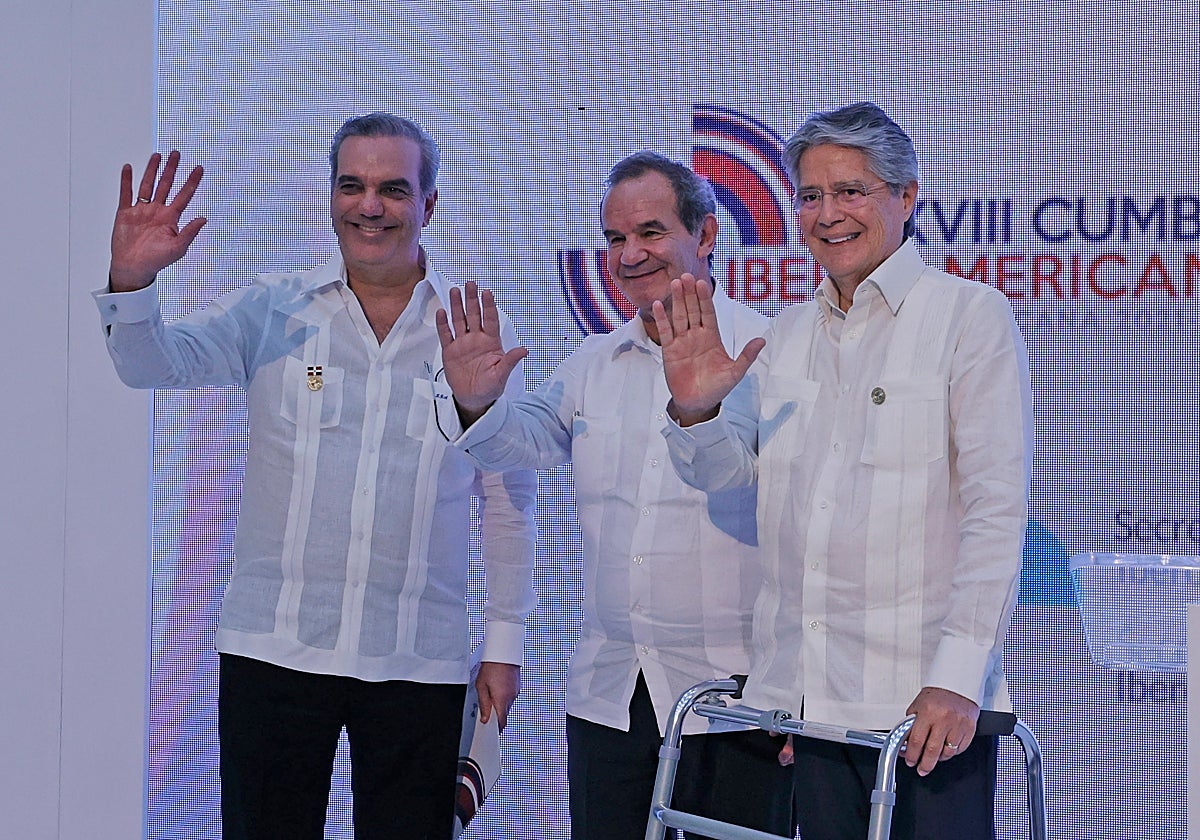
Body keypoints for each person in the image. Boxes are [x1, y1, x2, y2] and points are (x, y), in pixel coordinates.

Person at [92, 113, 536, 840]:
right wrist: (133, 283)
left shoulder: (476, 328)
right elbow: (149, 365)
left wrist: (504, 644)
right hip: (274, 653)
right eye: (351, 186)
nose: (370, 206)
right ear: (330, 196)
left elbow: (508, 496)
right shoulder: (270, 309)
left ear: (429, 204)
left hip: (418, 660)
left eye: (394, 189)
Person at [653, 102, 1033, 840]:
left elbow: (996, 511)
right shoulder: (787, 333)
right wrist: (695, 412)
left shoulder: (970, 316)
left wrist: (959, 679)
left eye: (851, 191)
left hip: (926, 709)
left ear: (907, 196)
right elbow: (729, 477)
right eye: (810, 196)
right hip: (812, 709)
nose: (828, 214)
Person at [433, 152, 794, 840]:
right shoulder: (592, 362)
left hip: (740, 699)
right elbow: (520, 443)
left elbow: (806, 527)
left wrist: (801, 685)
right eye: (615, 238)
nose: (629, 255)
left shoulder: (770, 352)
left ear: (707, 235)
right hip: (609, 695)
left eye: (651, 232)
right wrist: (476, 403)